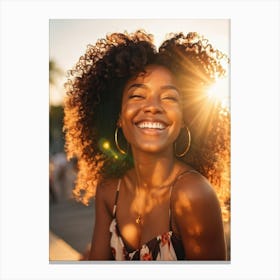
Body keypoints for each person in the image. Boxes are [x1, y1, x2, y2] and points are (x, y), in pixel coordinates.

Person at [63, 30, 230, 261]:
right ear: (118, 116)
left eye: (169, 97)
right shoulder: (109, 190)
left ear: (184, 119)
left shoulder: (193, 194)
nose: (152, 107)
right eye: (137, 96)